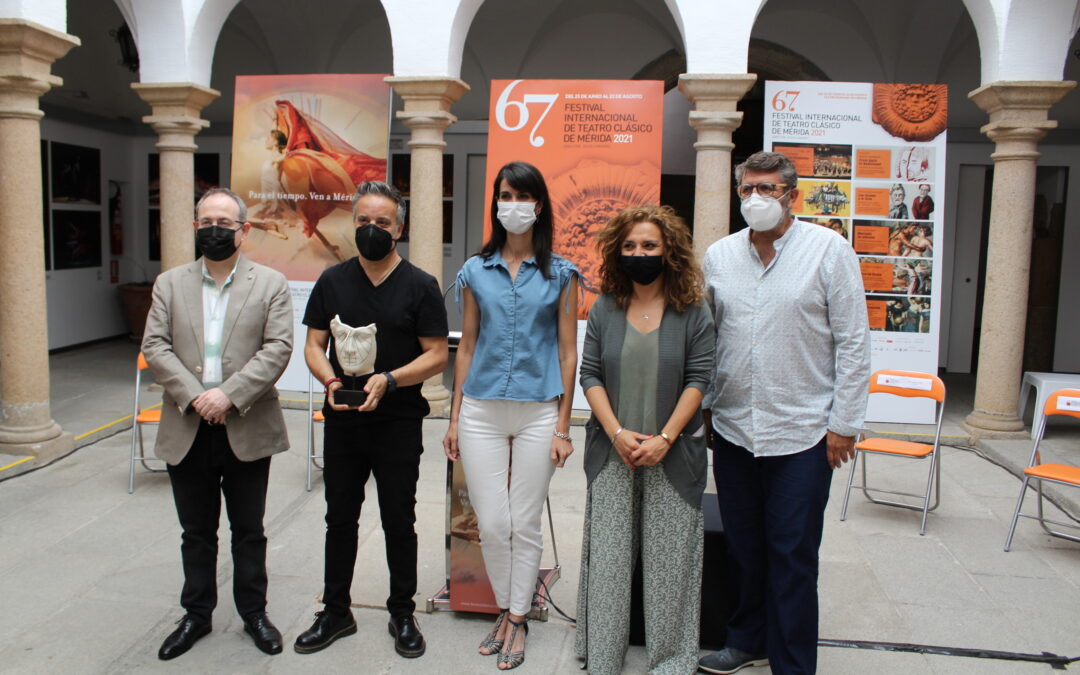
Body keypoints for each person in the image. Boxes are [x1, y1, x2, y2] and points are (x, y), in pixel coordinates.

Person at [698, 151, 870, 675]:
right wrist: (705, 408)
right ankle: (747, 639)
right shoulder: (720, 256)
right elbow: (708, 337)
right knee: (745, 548)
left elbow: (854, 343)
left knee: (793, 554)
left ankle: (793, 664)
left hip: (804, 432)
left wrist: (844, 424)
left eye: (768, 189)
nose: (756, 199)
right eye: (748, 189)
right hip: (733, 429)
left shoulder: (829, 251)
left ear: (792, 195)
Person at [297, 181, 449, 658]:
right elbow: (312, 345)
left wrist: (391, 378)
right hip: (343, 417)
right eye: (363, 221)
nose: (371, 230)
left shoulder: (421, 286)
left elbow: (438, 355)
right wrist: (328, 381)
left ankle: (401, 613)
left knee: (398, 519)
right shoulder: (333, 281)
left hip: (398, 421)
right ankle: (336, 611)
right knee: (339, 518)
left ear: (398, 229)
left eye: (381, 223)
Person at [142, 187, 293, 660]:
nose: (214, 230)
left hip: (246, 422)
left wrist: (228, 395)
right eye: (206, 221)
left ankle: (253, 613)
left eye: (224, 223)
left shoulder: (270, 283)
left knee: (249, 528)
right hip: (188, 425)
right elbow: (155, 346)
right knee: (196, 531)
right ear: (194, 227)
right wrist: (196, 396)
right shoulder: (169, 283)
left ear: (243, 231)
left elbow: (278, 348)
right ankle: (196, 614)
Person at [443, 161, 579, 670]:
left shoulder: (561, 274)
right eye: (505, 195)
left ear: (538, 205)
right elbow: (467, 344)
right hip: (480, 409)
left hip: (539, 412)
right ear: (496, 203)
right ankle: (504, 606)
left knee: (524, 521)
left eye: (523, 196)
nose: (513, 204)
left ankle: (517, 617)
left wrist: (565, 426)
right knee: (493, 524)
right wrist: (455, 418)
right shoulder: (477, 270)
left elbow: (568, 353)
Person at [573, 205, 715, 675]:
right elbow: (590, 372)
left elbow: (700, 378)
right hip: (612, 452)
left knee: (670, 569)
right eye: (630, 246)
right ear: (618, 252)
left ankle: (671, 662)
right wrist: (615, 432)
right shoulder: (606, 308)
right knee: (610, 566)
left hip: (673, 457)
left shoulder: (693, 310)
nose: (640, 253)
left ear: (669, 250)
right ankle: (603, 659)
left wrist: (665, 439)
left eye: (650, 245)